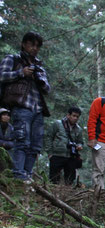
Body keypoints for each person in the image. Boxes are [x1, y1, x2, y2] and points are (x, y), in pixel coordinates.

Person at [0, 31, 51, 181]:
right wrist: (21, 73)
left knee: (35, 146)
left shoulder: (39, 67)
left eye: (37, 46)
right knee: (22, 141)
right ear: (24, 44)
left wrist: (39, 78)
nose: (34, 48)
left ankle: (27, 175)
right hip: (21, 106)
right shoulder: (13, 59)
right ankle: (18, 175)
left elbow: (47, 89)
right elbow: (2, 75)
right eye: (31, 44)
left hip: (38, 110)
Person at [44, 106, 84, 185]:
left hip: (71, 156)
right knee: (54, 178)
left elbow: (80, 141)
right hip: (57, 154)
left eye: (77, 117)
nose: (75, 118)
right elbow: (49, 137)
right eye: (74, 116)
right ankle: (52, 194)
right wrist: (50, 153)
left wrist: (79, 146)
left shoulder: (78, 129)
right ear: (68, 115)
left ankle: (67, 194)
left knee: (70, 179)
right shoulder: (57, 124)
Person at [0, 108, 15, 172]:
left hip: (7, 151)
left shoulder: (11, 128)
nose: (6, 117)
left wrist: (5, 144)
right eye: (4, 115)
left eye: (8, 115)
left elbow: (14, 142)